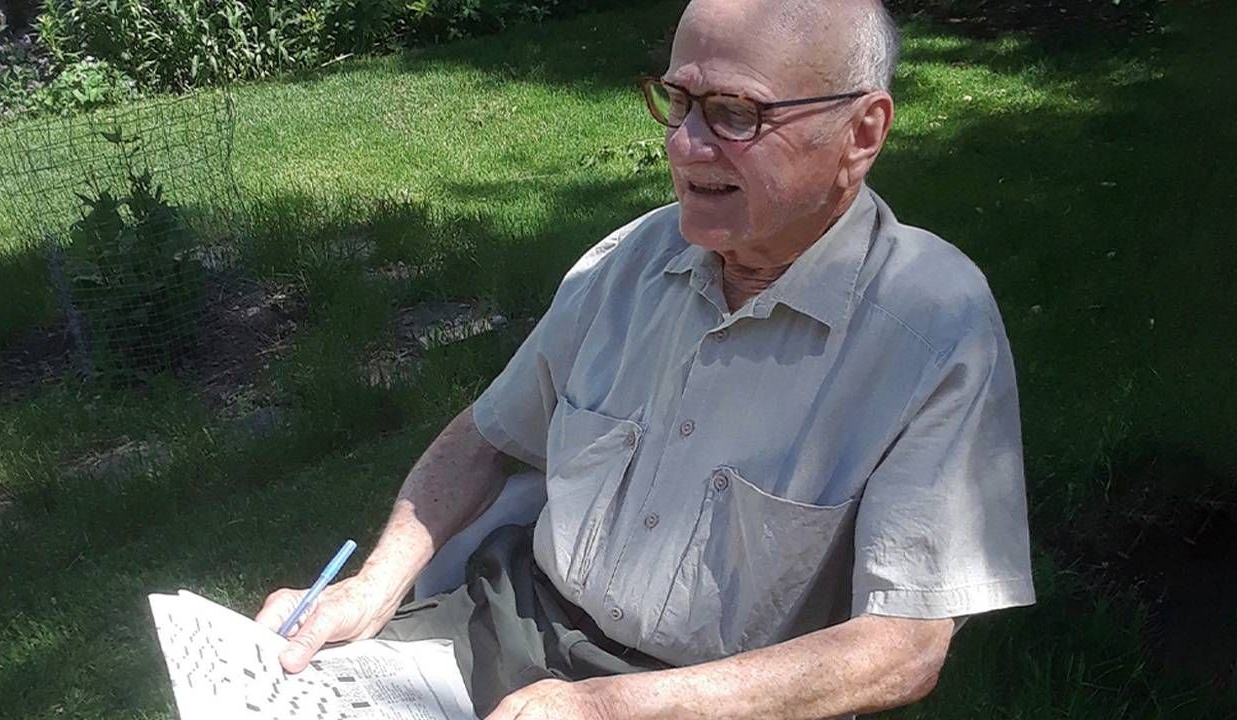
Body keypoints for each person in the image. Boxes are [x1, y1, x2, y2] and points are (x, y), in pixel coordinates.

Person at [256, 0, 1036, 717]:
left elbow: (903, 650)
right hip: (509, 618)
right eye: (679, 101)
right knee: (269, 685)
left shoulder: (933, 329)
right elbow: (489, 434)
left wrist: (610, 708)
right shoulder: (629, 258)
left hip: (706, 703)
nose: (685, 143)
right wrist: (372, 587)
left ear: (861, 133)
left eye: (735, 113)